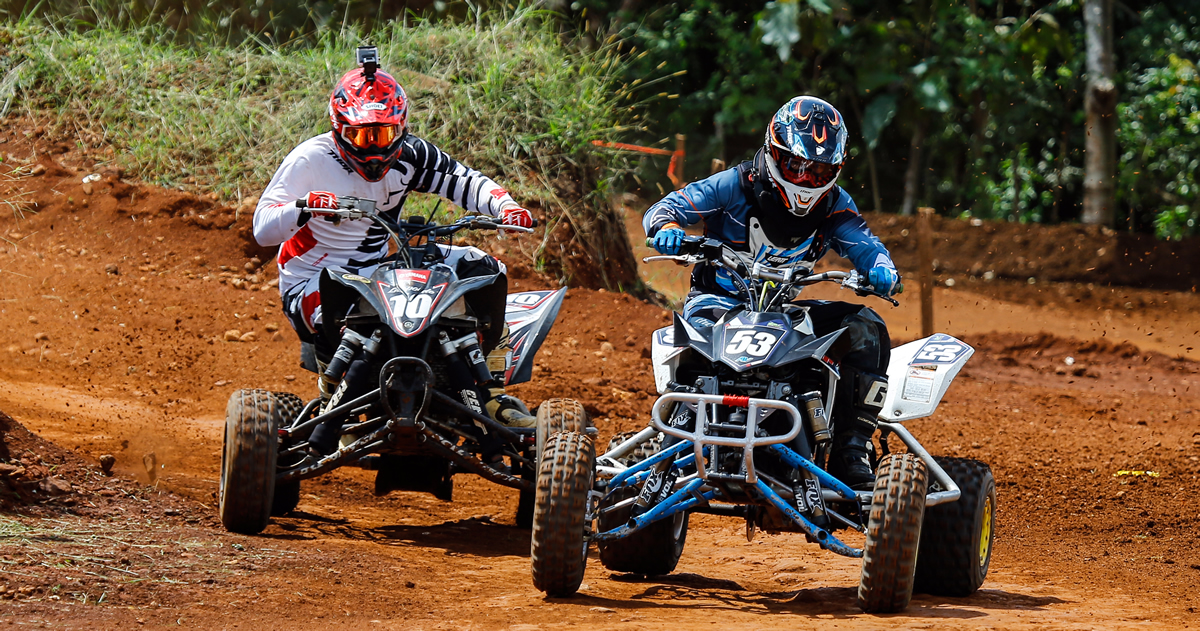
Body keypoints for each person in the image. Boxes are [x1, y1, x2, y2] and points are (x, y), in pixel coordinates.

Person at [253, 54, 537, 445]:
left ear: (400, 128)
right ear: (339, 129)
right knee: (345, 304)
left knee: (484, 268)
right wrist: (302, 208)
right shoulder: (310, 160)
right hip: (311, 282)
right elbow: (262, 229)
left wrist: (504, 206)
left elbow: (463, 180)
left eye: (383, 136)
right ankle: (332, 397)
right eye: (361, 136)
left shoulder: (411, 155)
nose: (373, 149)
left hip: (378, 269)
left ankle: (491, 396)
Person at [642, 95, 900, 490]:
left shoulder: (834, 204)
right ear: (773, 152)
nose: (804, 178)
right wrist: (665, 229)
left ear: (836, 170)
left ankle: (851, 449)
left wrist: (881, 268)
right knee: (687, 344)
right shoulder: (734, 184)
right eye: (795, 165)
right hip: (716, 304)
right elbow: (669, 207)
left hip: (784, 314)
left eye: (817, 171)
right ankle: (672, 440)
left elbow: (864, 243)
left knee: (865, 326)